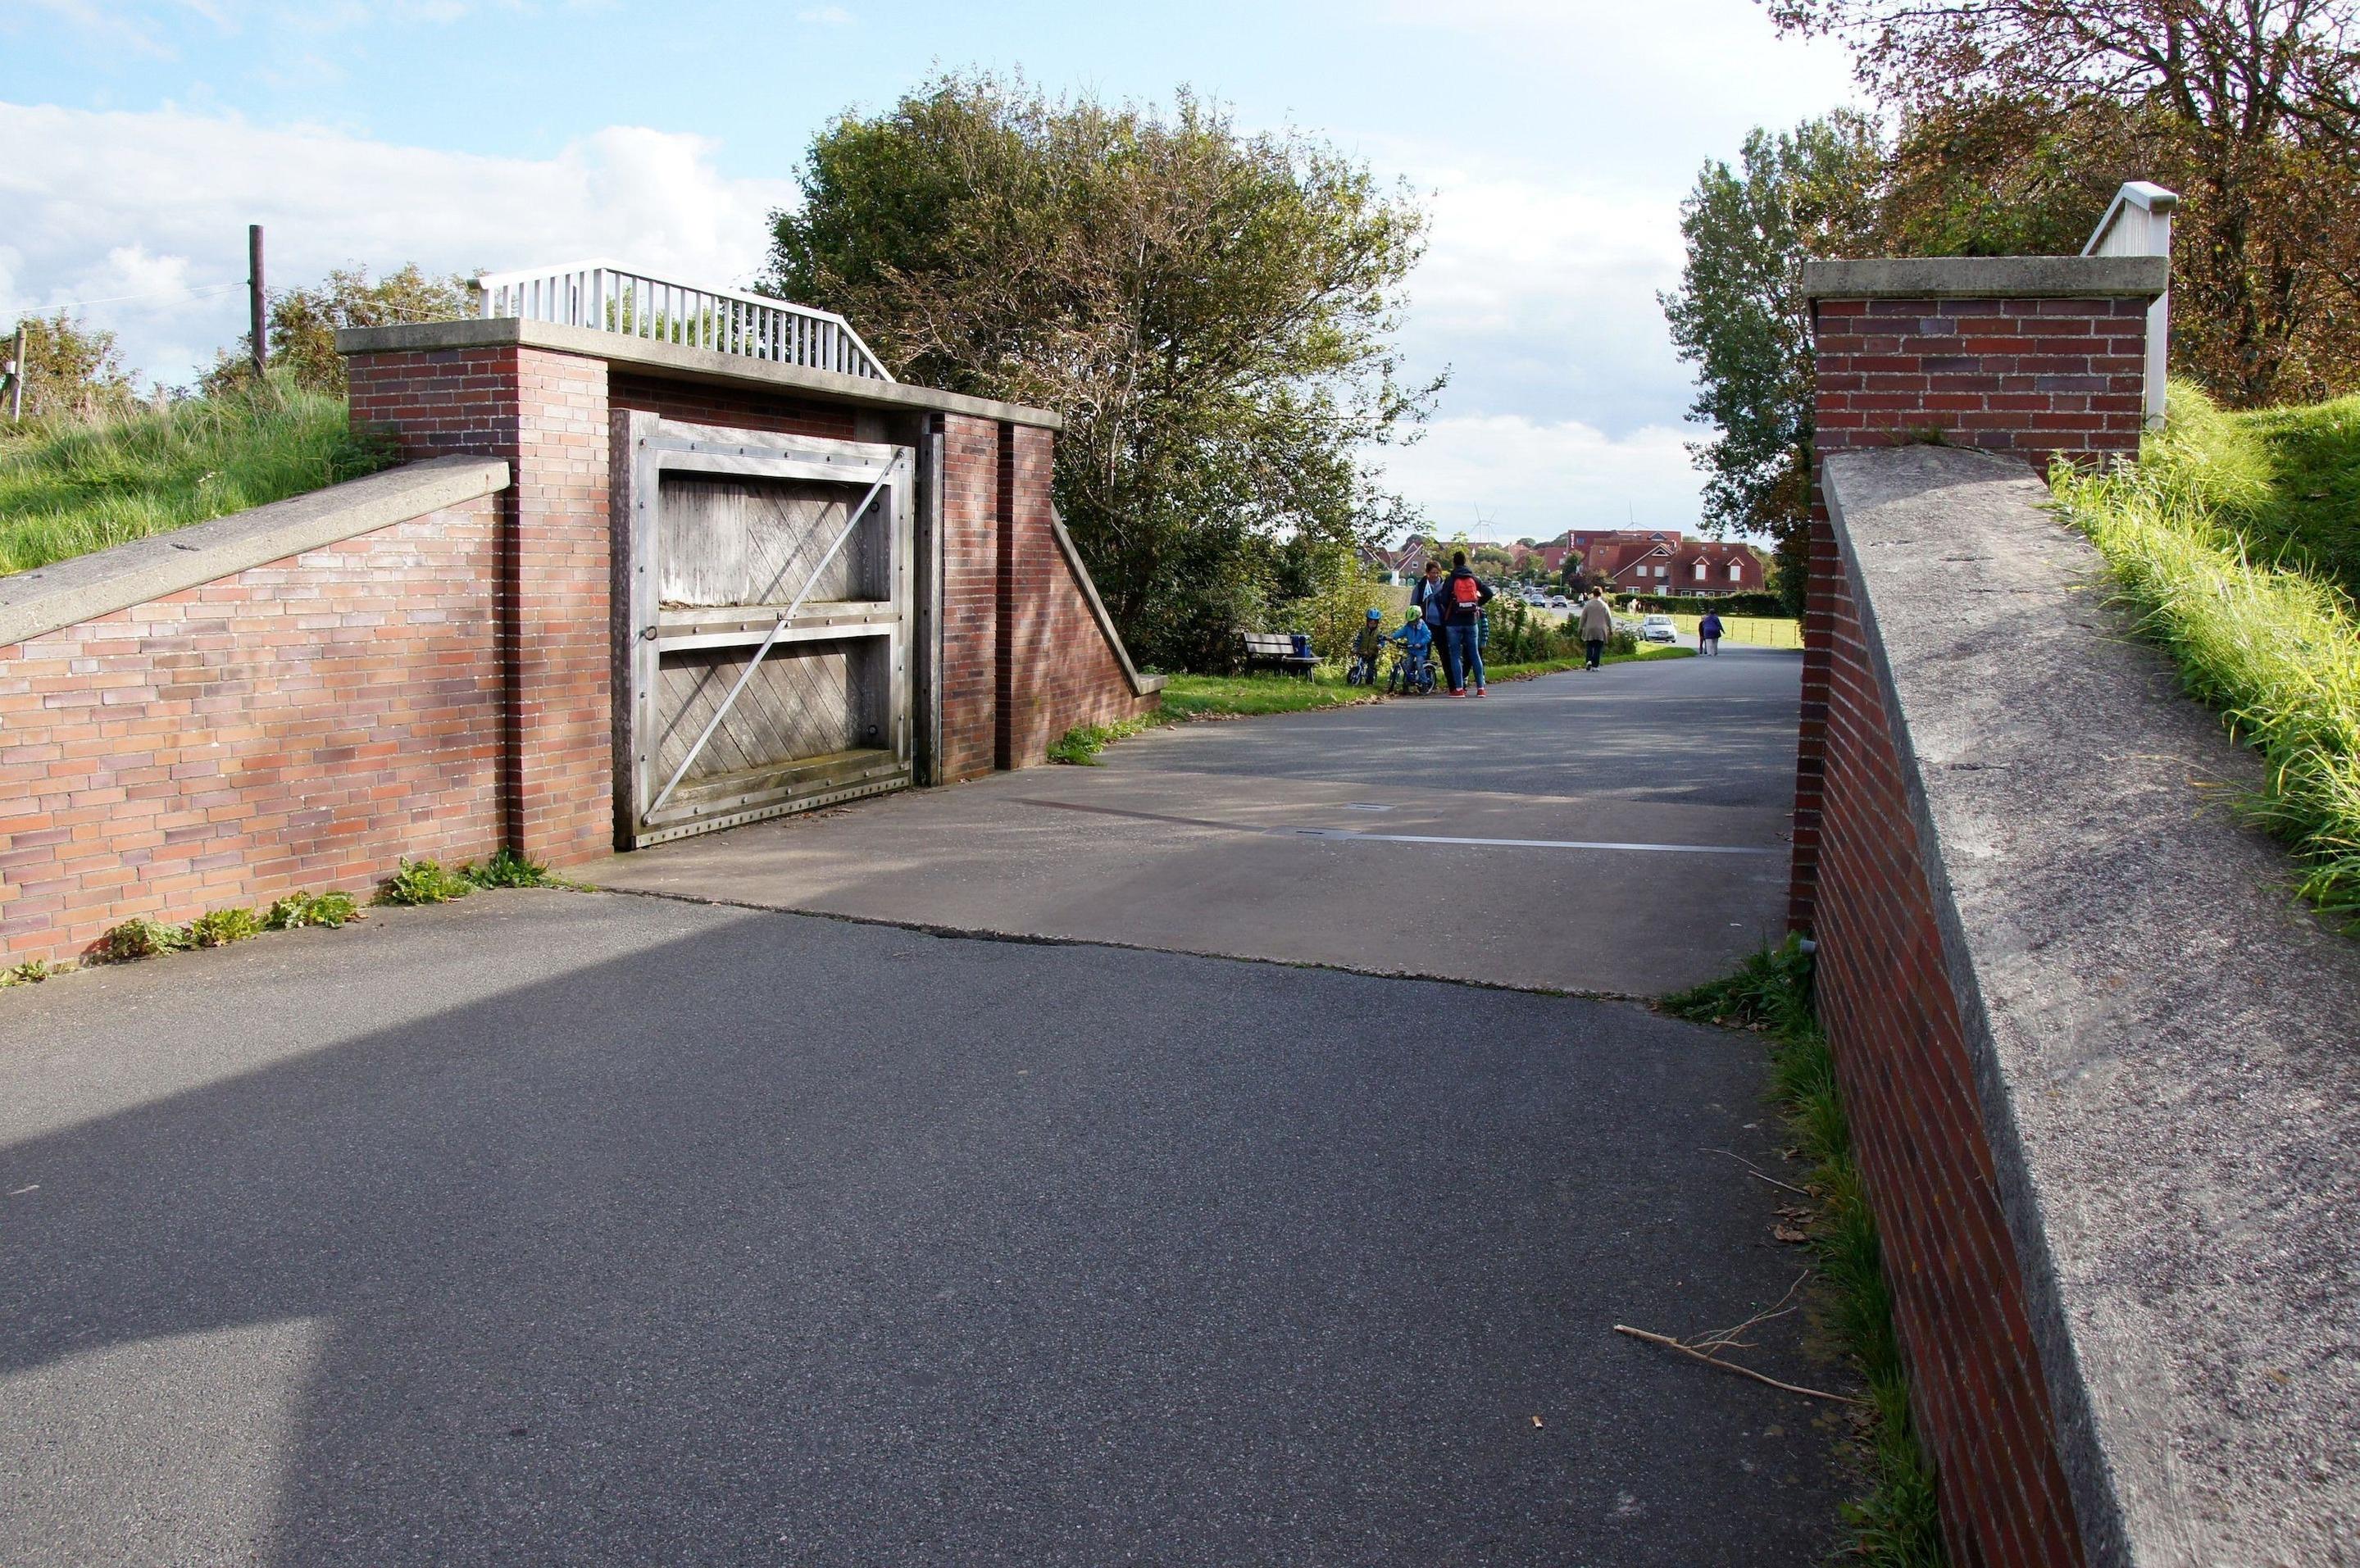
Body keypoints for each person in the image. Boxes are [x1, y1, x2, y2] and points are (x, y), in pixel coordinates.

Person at [1439, 549, 1493, 696]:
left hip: (1454, 622)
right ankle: (1481, 688)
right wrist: (1477, 604)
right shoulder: (1473, 578)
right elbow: (1489, 593)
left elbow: (1443, 600)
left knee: (1455, 655)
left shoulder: (1451, 579)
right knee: (1474, 654)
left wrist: (1453, 606)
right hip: (1471, 621)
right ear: (1465, 562)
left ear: (1454, 563)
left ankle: (1459, 689)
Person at [1578, 587, 1614, 672]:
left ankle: (1589, 661)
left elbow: (1583, 618)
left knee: (1590, 645)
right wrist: (1610, 629)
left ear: (1593, 593)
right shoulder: (1604, 605)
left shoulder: (1588, 605)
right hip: (1600, 630)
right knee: (1598, 647)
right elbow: (1609, 618)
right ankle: (1595, 665)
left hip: (1589, 628)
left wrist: (1580, 628)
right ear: (1601, 594)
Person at [1351, 607, 1386, 682]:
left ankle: (1370, 681)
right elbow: (1358, 640)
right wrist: (1355, 647)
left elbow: (1382, 641)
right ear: (1367, 622)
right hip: (1362, 652)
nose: (1372, 625)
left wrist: (1380, 645)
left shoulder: (1379, 632)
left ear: (1377, 623)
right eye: (1370, 623)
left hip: (1372, 653)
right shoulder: (1363, 631)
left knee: (1370, 669)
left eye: (1374, 623)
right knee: (1359, 665)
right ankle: (1356, 675)